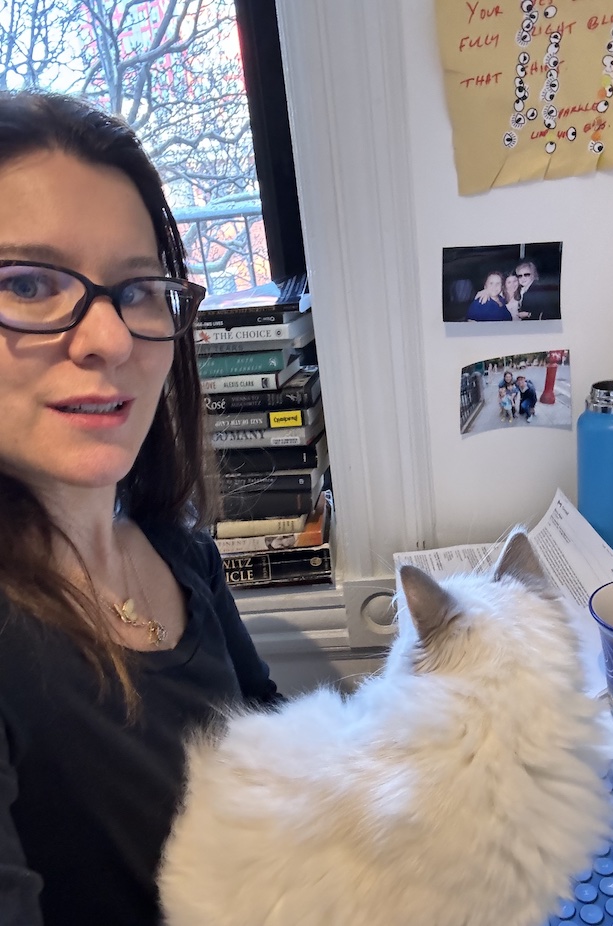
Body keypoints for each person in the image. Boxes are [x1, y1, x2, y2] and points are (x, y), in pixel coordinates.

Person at [0, 91, 281, 926]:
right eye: (28, 283)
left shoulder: (177, 552)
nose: (112, 340)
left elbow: (278, 759)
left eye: (137, 291)